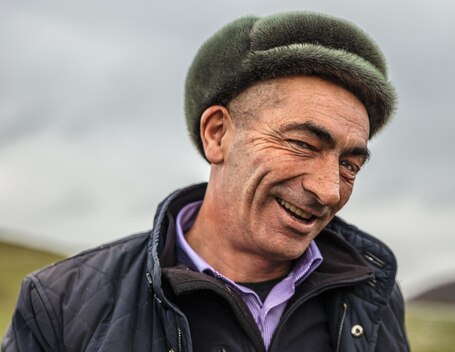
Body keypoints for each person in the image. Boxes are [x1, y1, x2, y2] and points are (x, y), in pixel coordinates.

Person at [2, 12, 409, 351]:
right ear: (217, 134)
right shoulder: (60, 304)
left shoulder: (371, 296)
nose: (329, 190)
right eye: (303, 143)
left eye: (350, 165)